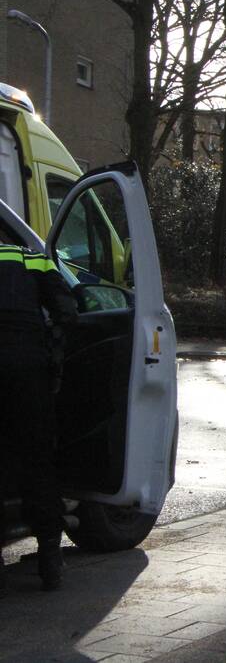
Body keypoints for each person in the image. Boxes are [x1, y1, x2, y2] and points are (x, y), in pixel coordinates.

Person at [0, 238, 78, 592]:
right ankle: (50, 559)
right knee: (38, 462)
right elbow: (68, 310)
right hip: (29, 374)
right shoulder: (31, 258)